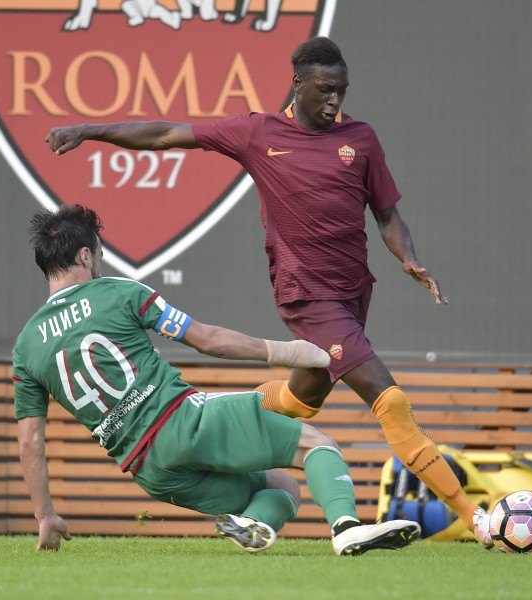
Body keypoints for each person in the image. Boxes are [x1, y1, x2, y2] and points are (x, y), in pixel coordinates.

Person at [45, 36, 493, 548]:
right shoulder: (259, 132)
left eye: (342, 91)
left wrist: (407, 256)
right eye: (325, 90)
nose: (335, 101)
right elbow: (168, 132)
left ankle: (227, 423)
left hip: (351, 297)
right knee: (390, 402)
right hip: (308, 297)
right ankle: (478, 519)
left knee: (303, 400)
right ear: (298, 83)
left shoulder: (361, 140)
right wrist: (88, 130)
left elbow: (387, 214)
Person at [13, 204, 421, 555]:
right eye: (99, 254)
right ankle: (347, 529)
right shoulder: (116, 292)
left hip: (150, 470)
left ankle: (254, 525)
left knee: (283, 488)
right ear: (85, 256)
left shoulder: (26, 346)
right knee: (318, 444)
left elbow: (31, 441)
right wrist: (288, 352)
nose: (101, 262)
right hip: (184, 422)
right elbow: (206, 340)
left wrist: (45, 514)